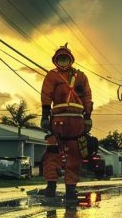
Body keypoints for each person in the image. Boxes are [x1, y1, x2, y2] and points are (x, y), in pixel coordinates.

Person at [40, 44, 93, 204]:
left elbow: (87, 97)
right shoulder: (52, 76)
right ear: (56, 61)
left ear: (71, 60)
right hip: (58, 120)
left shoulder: (81, 76)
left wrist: (88, 117)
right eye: (60, 59)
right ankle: (51, 186)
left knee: (74, 155)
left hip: (76, 120)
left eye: (65, 59)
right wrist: (44, 116)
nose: (63, 62)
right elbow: (46, 95)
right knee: (52, 153)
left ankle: (70, 190)